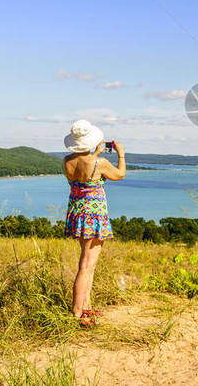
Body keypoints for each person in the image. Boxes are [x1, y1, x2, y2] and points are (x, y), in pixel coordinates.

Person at [62, 119, 126, 326]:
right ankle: (77, 312)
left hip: (77, 214)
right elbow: (120, 175)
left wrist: (96, 154)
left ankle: (86, 309)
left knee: (87, 264)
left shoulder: (67, 161)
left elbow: (84, 171)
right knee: (87, 266)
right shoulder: (100, 163)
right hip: (94, 216)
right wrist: (121, 154)